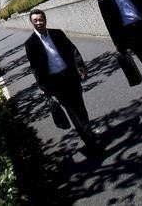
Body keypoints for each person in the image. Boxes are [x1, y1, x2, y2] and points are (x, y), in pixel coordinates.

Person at [24, 9, 103, 156]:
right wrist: (44, 88)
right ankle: (91, 141)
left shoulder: (57, 33)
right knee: (72, 111)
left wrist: (80, 66)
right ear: (32, 23)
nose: (39, 23)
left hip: (71, 76)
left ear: (45, 20)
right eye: (35, 20)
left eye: (41, 19)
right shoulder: (30, 44)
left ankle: (88, 134)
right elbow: (35, 68)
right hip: (55, 83)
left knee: (80, 107)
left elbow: (72, 49)